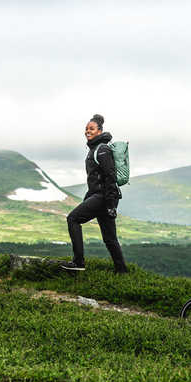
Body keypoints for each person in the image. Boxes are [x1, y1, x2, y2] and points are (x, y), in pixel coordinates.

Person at [61, 114, 128, 273]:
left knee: (73, 219)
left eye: (91, 129)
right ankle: (122, 272)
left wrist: (111, 205)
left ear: (99, 131)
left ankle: (78, 262)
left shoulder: (102, 149)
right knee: (110, 239)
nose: (87, 131)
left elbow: (110, 177)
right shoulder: (94, 149)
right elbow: (95, 180)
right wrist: (89, 198)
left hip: (104, 197)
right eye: (86, 129)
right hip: (101, 197)